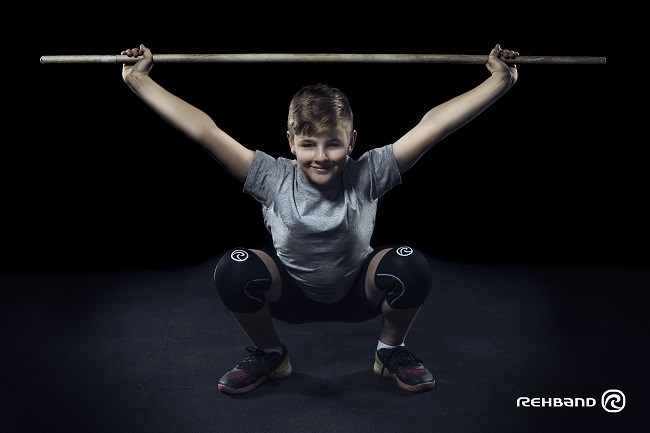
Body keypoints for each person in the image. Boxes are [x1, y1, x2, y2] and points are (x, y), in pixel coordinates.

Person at [120, 43, 519, 395]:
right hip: (289, 294)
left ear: (352, 141)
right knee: (233, 268)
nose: (321, 156)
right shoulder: (270, 176)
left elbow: (434, 126)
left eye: (333, 143)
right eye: (308, 144)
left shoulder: (369, 172)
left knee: (409, 263)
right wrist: (140, 82)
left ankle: (389, 351)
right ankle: (270, 355)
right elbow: (204, 130)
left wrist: (499, 82)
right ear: (291, 141)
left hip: (356, 292)